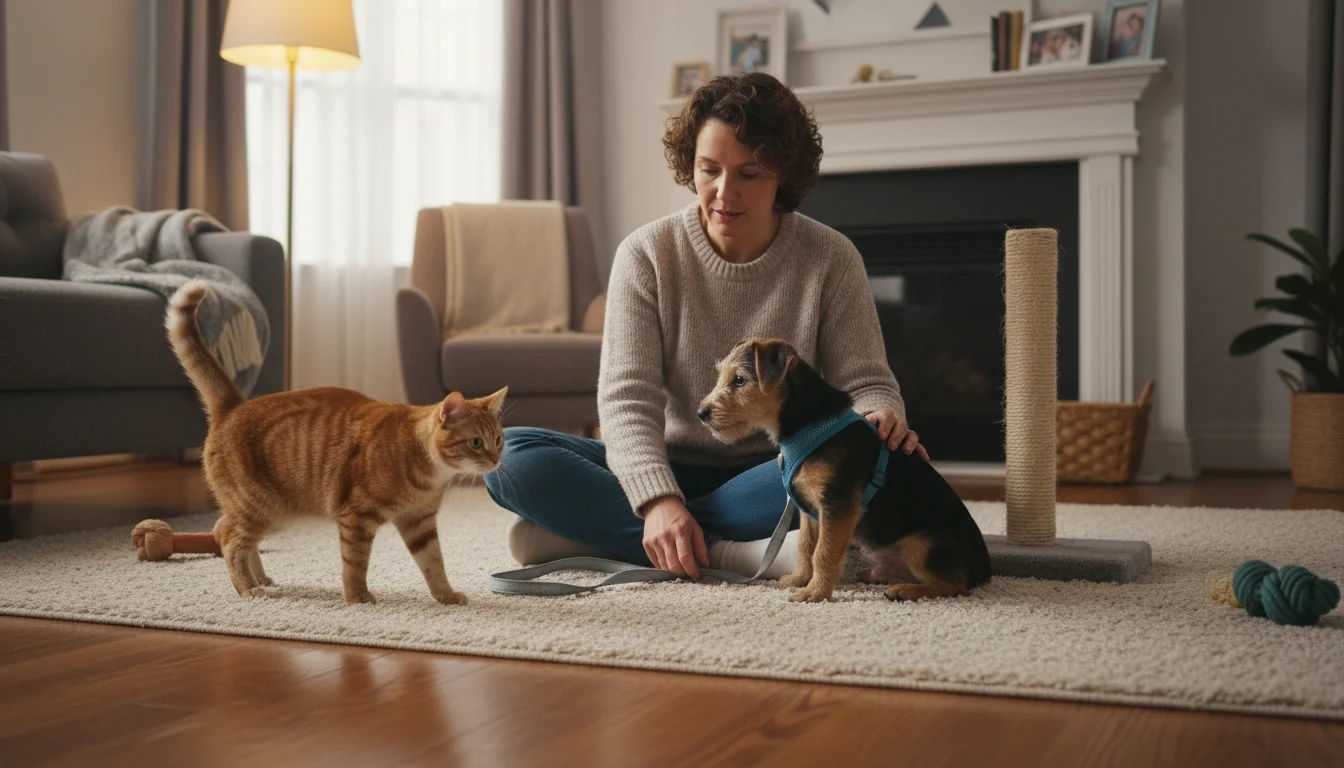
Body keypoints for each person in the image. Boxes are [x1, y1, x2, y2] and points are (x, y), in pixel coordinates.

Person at [484, 72, 925, 581]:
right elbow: (627, 398)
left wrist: (881, 413)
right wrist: (656, 499)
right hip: (663, 459)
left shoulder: (831, 257)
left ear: (783, 174)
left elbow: (866, 379)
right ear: (688, 164)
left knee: (863, 469)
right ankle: (724, 552)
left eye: (749, 174)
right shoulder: (646, 254)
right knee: (511, 455)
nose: (723, 192)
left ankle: (595, 531)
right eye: (708, 169)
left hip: (776, 470)